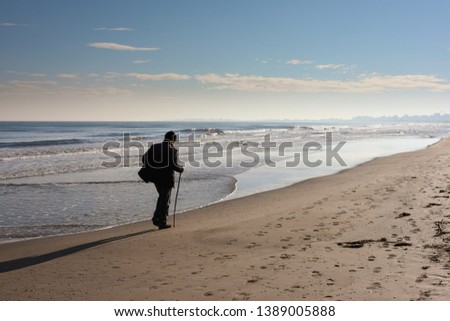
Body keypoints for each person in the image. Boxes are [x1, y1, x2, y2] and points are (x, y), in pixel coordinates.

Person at [143, 131, 184, 229]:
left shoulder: (155, 146)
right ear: (173, 138)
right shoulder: (173, 150)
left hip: (155, 178)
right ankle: (161, 221)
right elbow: (172, 165)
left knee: (162, 197)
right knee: (165, 199)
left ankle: (157, 218)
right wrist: (180, 169)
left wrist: (154, 168)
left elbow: (144, 159)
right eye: (175, 138)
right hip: (167, 178)